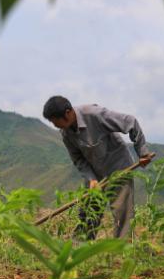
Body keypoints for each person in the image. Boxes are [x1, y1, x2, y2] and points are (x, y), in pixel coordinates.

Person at [42, 95, 155, 239]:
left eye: (56, 121)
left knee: (122, 211)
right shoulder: (66, 133)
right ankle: (81, 246)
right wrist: (91, 179)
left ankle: (122, 249)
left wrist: (143, 153)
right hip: (95, 172)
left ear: (67, 112)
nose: (55, 126)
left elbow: (130, 122)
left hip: (118, 168)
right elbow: (78, 159)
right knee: (88, 210)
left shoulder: (94, 115)